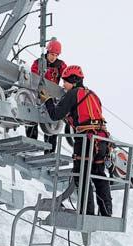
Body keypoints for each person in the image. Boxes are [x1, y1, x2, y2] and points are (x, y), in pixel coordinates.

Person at [40, 65, 112, 216]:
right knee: (99, 174)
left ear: (73, 80)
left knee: (82, 176)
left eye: (65, 81)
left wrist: (47, 100)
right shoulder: (93, 95)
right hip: (102, 139)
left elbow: (55, 115)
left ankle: (88, 212)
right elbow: (83, 115)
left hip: (86, 141)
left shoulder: (73, 94)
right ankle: (106, 212)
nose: (63, 85)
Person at [28, 38, 67, 153]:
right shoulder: (38, 63)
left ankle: (49, 150)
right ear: (47, 52)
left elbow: (66, 76)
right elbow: (34, 77)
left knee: (52, 120)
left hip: (53, 95)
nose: (53, 57)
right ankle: (31, 144)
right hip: (39, 93)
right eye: (51, 54)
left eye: (56, 55)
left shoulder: (60, 65)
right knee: (32, 117)